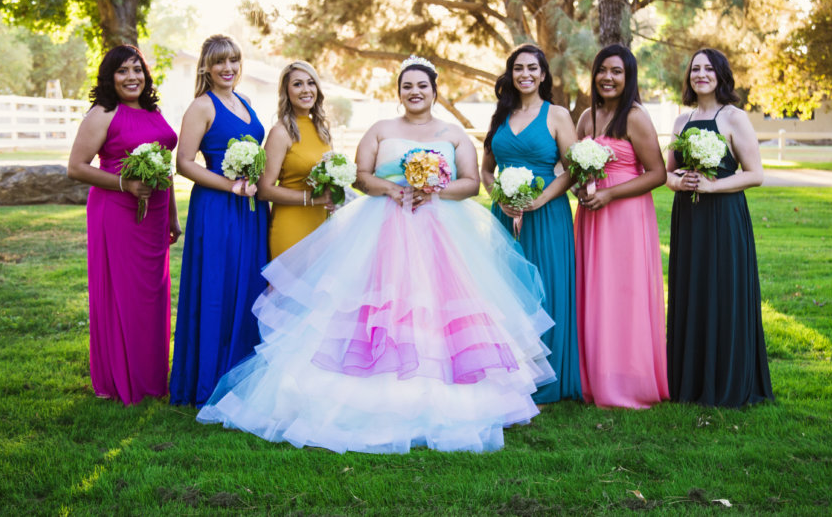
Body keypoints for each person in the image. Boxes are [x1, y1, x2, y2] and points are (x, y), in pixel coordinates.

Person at [197, 56, 554, 454]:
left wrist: (435, 189)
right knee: (373, 306)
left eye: (422, 85)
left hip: (442, 232)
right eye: (407, 86)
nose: (414, 92)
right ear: (398, 92)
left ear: (434, 90)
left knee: (441, 307)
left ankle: (449, 395)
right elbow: (361, 175)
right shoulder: (381, 129)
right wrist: (389, 188)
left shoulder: (453, 134)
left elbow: (471, 184)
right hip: (384, 226)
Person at [67, 45, 180, 405]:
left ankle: (151, 377)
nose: (132, 77)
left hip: (156, 213)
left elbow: (166, 166)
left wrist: (173, 216)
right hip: (116, 211)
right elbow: (77, 166)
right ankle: (118, 379)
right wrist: (125, 184)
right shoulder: (102, 113)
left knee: (152, 294)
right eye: (122, 71)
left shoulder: (153, 111)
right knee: (123, 294)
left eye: (137, 70)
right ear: (110, 77)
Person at [665, 48, 774, 407]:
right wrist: (678, 181)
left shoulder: (734, 117)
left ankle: (727, 382)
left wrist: (712, 185)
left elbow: (755, 174)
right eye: (695, 69)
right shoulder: (681, 121)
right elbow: (668, 172)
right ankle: (689, 382)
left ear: (721, 75)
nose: (701, 74)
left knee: (722, 291)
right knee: (692, 290)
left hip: (724, 217)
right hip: (689, 217)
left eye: (708, 68)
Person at [169, 35, 269, 407]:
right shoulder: (201, 106)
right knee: (218, 286)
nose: (228, 68)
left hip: (249, 209)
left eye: (233, 61)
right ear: (206, 68)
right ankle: (208, 377)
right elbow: (184, 163)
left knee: (247, 285)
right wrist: (231, 186)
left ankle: (242, 373)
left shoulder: (243, 101)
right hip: (217, 208)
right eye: (219, 62)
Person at [480, 43, 581, 404]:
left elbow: (572, 171)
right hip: (505, 216)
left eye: (532, 68)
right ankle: (511, 375)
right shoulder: (500, 115)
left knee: (547, 288)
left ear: (543, 74)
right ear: (510, 74)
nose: (525, 74)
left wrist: (538, 200)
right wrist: (500, 198)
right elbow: (486, 171)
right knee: (505, 290)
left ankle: (548, 379)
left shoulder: (557, 115)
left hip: (548, 213)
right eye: (518, 68)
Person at [573, 44, 668, 409]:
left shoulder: (636, 117)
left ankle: (631, 381)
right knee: (595, 292)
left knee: (624, 295)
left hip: (626, 215)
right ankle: (596, 375)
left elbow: (657, 173)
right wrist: (584, 188)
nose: (607, 78)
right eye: (602, 70)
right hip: (592, 216)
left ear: (628, 77)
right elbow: (578, 169)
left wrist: (611, 196)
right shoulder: (587, 118)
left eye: (616, 72)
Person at [260, 61, 336, 258]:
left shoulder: (322, 130)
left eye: (311, 83)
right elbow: (264, 189)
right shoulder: (280, 132)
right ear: (286, 90)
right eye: (297, 84)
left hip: (322, 224)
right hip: (291, 226)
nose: (306, 90)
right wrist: (313, 199)